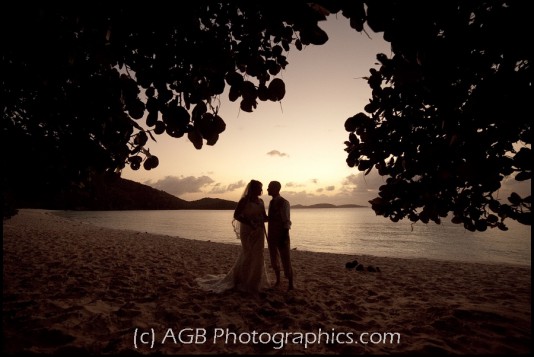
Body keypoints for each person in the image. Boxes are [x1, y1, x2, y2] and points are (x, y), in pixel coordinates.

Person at [196, 179, 270, 294]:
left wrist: (273, 218)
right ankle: (243, 280)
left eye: (261, 187)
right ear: (253, 189)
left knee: (259, 254)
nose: (261, 190)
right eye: (259, 187)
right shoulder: (244, 201)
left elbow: (264, 217)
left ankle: (255, 282)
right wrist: (250, 222)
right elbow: (236, 215)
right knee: (248, 253)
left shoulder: (261, 201)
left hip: (259, 231)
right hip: (247, 230)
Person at [266, 181, 294, 290]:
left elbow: (286, 221)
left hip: (282, 235)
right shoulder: (271, 202)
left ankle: (291, 283)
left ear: (276, 189)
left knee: (286, 259)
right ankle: (278, 280)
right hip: (271, 235)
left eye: (269, 188)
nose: (267, 189)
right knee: (274, 258)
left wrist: (285, 236)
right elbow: (271, 218)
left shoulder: (284, 203)